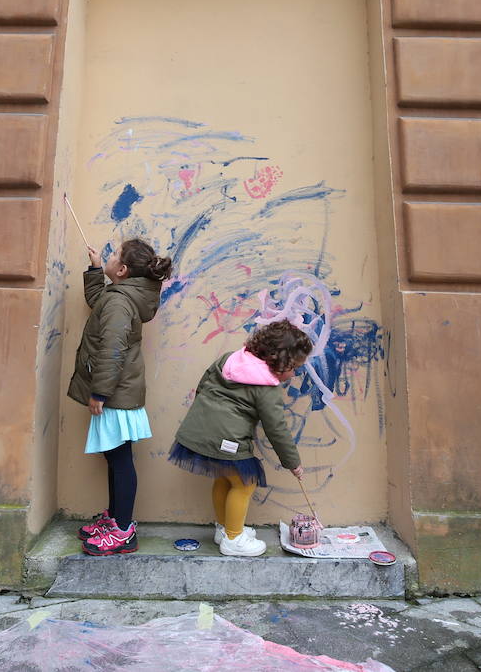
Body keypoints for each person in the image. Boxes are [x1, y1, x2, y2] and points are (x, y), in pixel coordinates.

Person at [168, 320, 311, 556]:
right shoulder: (266, 388)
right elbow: (277, 429)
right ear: (281, 361)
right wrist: (292, 463)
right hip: (227, 438)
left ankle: (225, 529)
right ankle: (233, 540)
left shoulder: (230, 359)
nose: (294, 373)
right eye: (294, 367)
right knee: (245, 483)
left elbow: (203, 385)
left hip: (200, 427)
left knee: (225, 478)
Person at [68, 238, 173, 556]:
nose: (110, 256)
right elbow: (98, 300)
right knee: (115, 460)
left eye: (113, 256)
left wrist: (100, 391)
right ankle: (115, 520)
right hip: (120, 390)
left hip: (114, 393)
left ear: (123, 270)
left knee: (120, 461)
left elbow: (111, 349)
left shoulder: (120, 302)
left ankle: (123, 531)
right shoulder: (121, 296)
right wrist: (96, 268)